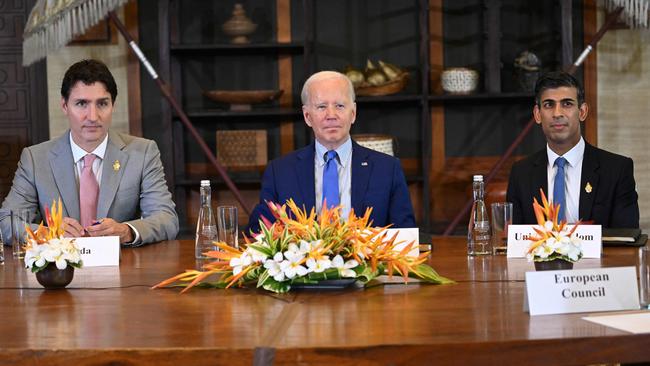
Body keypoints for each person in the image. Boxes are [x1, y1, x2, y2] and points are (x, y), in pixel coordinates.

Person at [0, 59, 179, 246]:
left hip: (122, 267)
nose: (93, 117)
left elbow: (167, 219)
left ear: (113, 105)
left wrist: (126, 231)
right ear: (64, 106)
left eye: (102, 104)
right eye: (81, 104)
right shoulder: (35, 159)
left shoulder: (142, 152)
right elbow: (6, 222)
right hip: (60, 270)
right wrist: (49, 233)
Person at [246, 71, 415, 232]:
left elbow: (406, 237)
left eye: (340, 105)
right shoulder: (280, 172)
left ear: (353, 113)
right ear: (307, 116)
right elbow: (259, 234)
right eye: (321, 106)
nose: (331, 115)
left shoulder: (387, 169)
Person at [506, 71, 639, 228]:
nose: (557, 113)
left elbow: (626, 239)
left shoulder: (617, 169)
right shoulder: (521, 173)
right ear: (537, 114)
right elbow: (512, 241)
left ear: (582, 112)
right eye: (549, 105)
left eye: (567, 104)